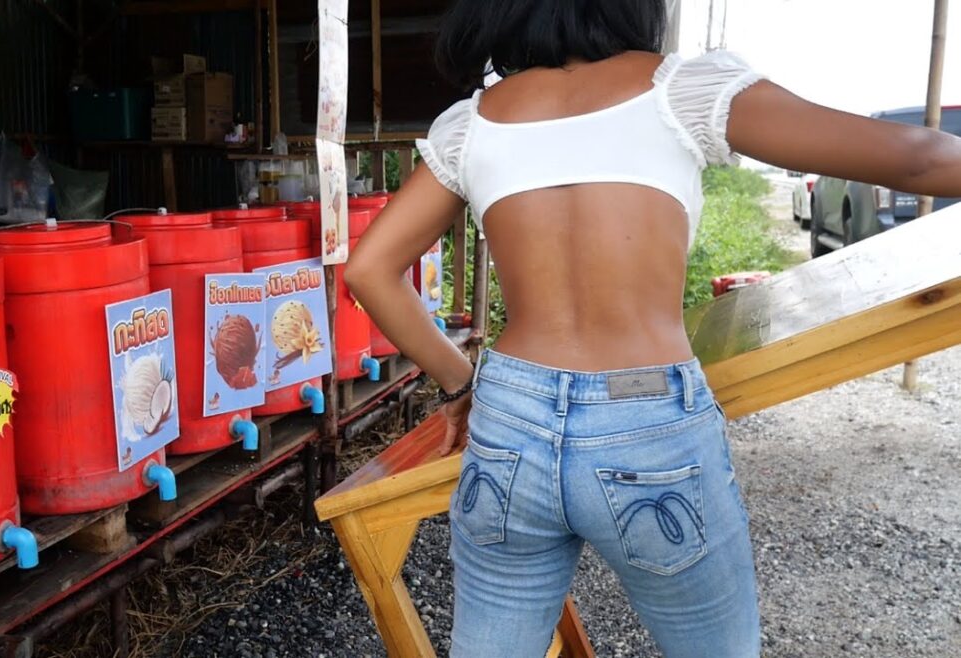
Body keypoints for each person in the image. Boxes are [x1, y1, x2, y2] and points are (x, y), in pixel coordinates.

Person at [344, 1, 961, 656]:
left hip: (510, 420)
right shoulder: (682, 91)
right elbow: (922, 161)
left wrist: (460, 385)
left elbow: (369, 270)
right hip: (646, 418)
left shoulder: (470, 125)